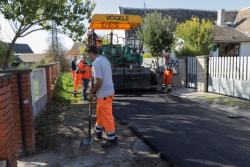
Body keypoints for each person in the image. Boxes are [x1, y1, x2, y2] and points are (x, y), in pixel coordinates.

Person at [87, 45, 117, 148]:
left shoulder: (96, 62)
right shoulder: (104, 59)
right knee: (100, 112)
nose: (89, 57)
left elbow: (99, 82)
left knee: (107, 116)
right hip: (107, 92)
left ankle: (112, 138)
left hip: (104, 93)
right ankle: (98, 130)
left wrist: (92, 93)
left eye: (89, 55)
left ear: (91, 53)